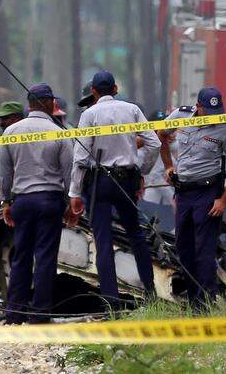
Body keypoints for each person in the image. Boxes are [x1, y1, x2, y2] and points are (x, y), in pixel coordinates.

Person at [69, 70, 161, 304]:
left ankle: (111, 301)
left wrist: (75, 192)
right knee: (136, 236)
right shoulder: (132, 110)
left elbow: (80, 158)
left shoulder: (89, 115)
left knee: (103, 240)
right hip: (127, 180)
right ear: (115, 89)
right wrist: (142, 171)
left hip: (99, 183)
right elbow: (154, 143)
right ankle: (150, 293)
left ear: (93, 91)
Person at [0, 84, 74, 324]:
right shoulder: (58, 132)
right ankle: (40, 314)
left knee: (21, 256)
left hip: (22, 201)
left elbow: (4, 172)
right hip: (50, 201)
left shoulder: (11, 132)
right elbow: (69, 171)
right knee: (45, 257)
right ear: (51, 104)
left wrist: (5, 201)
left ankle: (14, 313)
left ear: (29, 105)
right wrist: (71, 202)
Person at [164, 87, 226, 308]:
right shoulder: (181, 115)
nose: (213, 115)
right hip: (184, 193)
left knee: (204, 251)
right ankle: (192, 299)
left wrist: (224, 200)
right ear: (198, 107)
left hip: (208, 194)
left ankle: (205, 304)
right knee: (183, 248)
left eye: (216, 111)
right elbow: (160, 135)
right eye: (208, 110)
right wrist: (168, 166)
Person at [138, 106, 195, 229]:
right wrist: (172, 200)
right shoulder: (148, 148)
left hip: (165, 201)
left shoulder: (170, 145)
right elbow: (155, 176)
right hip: (153, 201)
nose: (169, 133)